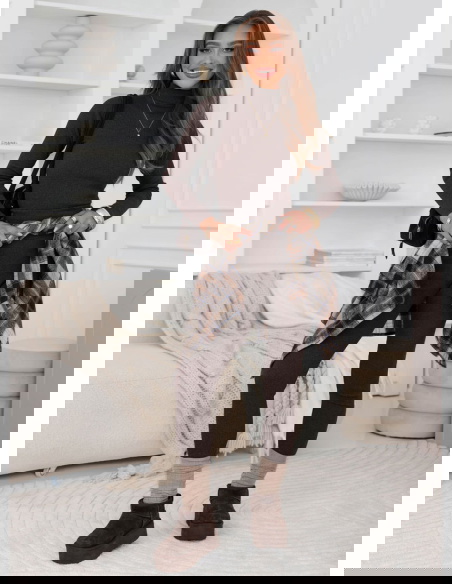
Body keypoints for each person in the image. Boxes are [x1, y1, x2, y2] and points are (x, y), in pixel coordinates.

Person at [173, 195, 452, 541]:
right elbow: (416, 240)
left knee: (340, 392)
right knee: (286, 371)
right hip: (404, 289)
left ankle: (234, 493)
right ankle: (190, 478)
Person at [0, 17, 237, 346]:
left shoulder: (179, 134)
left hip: (52, 224)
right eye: (206, 48)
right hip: (15, 201)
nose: (202, 60)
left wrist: (101, 214)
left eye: (221, 55)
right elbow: (45, 149)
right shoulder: (122, 105)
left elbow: (149, 188)